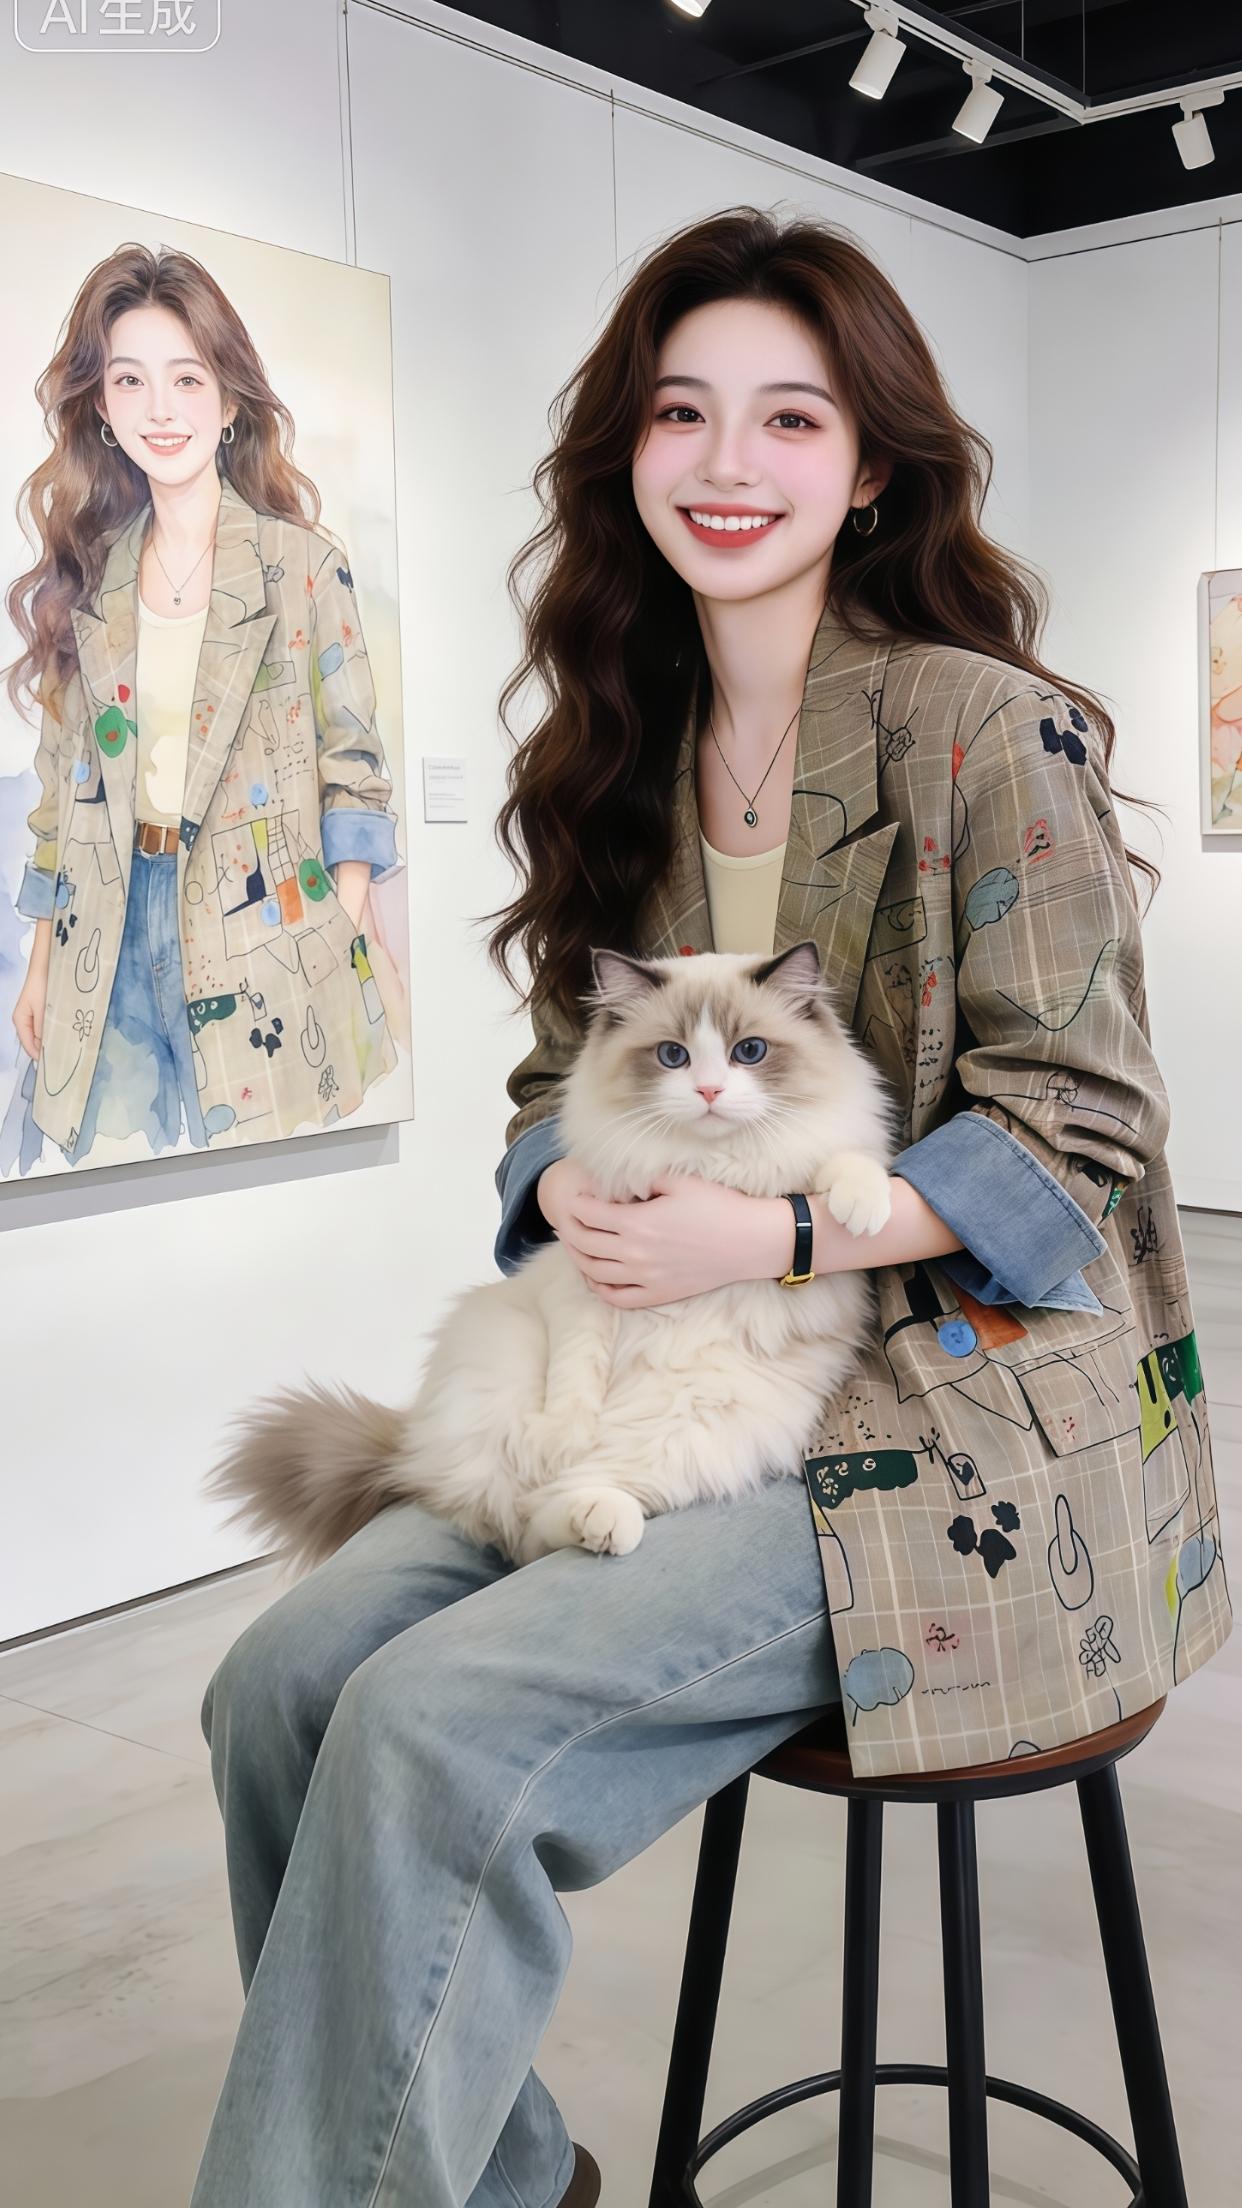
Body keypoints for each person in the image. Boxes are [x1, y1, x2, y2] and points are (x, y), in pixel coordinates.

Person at [189, 209, 1230, 2208]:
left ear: (873, 466)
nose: (728, 463)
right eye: (682, 413)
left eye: (790, 417)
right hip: (641, 1377)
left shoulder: (983, 730)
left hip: (929, 1418)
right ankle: (498, 2180)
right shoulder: (622, 750)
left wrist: (778, 1236)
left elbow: (1085, 1128)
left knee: (424, 1730)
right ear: (628, 451)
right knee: (280, 1689)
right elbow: (539, 1090)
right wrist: (575, 1177)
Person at [5, 242, 403, 1173]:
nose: (160, 409)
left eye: (186, 379)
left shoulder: (304, 567)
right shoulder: (87, 582)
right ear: (103, 410)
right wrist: (41, 963)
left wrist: (334, 926)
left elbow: (354, 771)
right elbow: (62, 799)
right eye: (130, 381)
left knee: (263, 1186)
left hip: (264, 933)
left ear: (228, 403)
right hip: (107, 934)